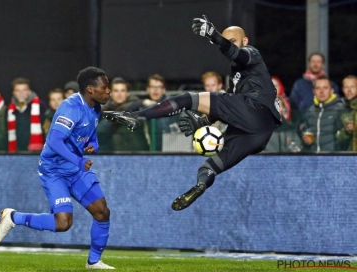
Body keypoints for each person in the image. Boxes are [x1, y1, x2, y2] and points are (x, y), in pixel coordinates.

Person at [104, 17, 281, 211]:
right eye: (226, 40)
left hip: (254, 108)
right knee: (208, 168)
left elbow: (237, 55)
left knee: (190, 98)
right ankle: (200, 185)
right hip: (259, 133)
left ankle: (137, 117)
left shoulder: (251, 53)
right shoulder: (236, 76)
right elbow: (227, 107)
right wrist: (205, 120)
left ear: (245, 41)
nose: (230, 45)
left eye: (233, 41)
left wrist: (214, 35)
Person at [0, 66, 115, 270]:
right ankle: (13, 217)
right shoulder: (70, 108)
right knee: (63, 224)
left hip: (75, 170)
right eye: (105, 87)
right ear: (90, 89)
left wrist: (93, 145)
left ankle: (94, 261)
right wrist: (78, 161)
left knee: (102, 212)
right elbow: (55, 142)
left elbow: (91, 137)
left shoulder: (95, 107)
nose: (109, 91)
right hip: (54, 170)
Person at [128, 74, 179, 151]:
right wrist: (142, 102)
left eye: (158, 87)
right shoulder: (145, 105)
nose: (155, 90)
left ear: (164, 90)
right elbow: (127, 112)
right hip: (152, 149)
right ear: (147, 89)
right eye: (152, 87)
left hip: (172, 148)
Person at [100, 77, 149, 152]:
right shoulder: (107, 108)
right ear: (111, 93)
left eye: (122, 91)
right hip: (115, 152)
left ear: (127, 93)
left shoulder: (136, 106)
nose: (119, 94)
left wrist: (141, 103)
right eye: (116, 91)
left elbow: (125, 110)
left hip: (137, 152)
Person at [299, 76, 344, 152]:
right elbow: (304, 132)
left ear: (332, 90)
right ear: (314, 91)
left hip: (334, 158)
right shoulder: (310, 111)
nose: (321, 91)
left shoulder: (341, 109)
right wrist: (305, 140)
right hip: (313, 158)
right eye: (318, 88)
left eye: (325, 88)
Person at [7, 77, 46, 152]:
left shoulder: (40, 106)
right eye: (18, 90)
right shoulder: (10, 109)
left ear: (29, 91)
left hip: (36, 151)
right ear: (13, 93)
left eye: (24, 90)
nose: (21, 93)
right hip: (16, 151)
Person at [336, 75, 357, 151]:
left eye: (352, 87)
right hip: (348, 157)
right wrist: (346, 132)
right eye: (346, 87)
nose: (349, 90)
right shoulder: (340, 110)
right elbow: (338, 141)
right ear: (342, 89)